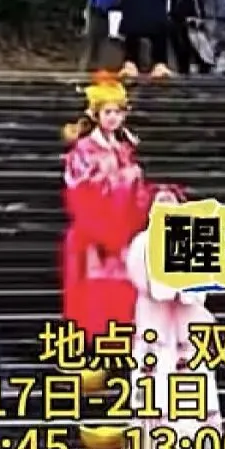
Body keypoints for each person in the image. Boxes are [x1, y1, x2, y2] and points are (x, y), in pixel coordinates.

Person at [125, 185, 223, 449]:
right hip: (155, 328)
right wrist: (168, 287)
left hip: (185, 330)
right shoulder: (142, 243)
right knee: (153, 392)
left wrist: (185, 290)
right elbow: (141, 280)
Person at [62, 77, 148, 343]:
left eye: (117, 112)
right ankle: (95, 345)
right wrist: (123, 180)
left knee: (124, 292)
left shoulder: (124, 148)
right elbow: (80, 190)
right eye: (107, 112)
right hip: (94, 233)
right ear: (96, 115)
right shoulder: (84, 149)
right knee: (94, 294)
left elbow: (138, 193)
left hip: (123, 230)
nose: (112, 117)